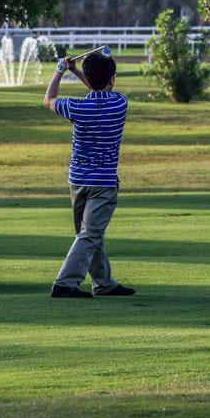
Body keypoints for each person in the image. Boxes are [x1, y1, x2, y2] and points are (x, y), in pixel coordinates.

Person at [43, 50, 135, 299]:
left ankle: (104, 283)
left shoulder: (77, 107)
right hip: (103, 183)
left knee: (90, 234)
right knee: (90, 234)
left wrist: (63, 69)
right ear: (112, 79)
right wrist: (78, 72)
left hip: (77, 180)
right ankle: (65, 283)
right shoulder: (120, 103)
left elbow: (49, 99)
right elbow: (98, 87)